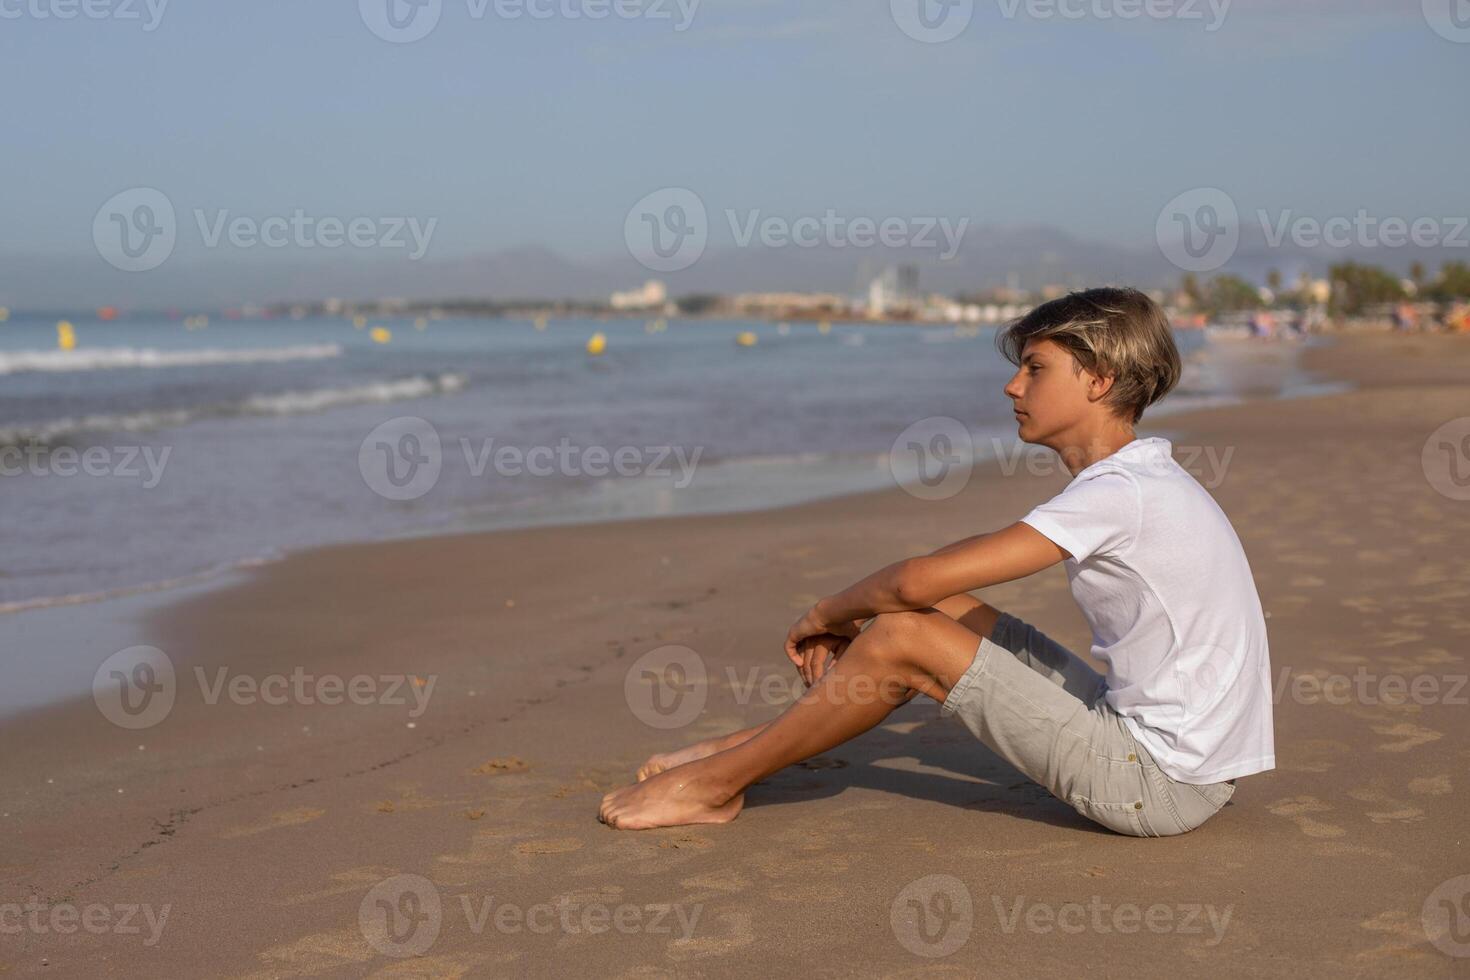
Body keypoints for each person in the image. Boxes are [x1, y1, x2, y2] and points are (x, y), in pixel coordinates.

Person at [599, 288, 1276, 837]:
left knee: (901, 633)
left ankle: (714, 788)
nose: (1013, 387)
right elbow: (939, 579)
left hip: (1157, 783)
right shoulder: (1136, 478)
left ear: (1099, 380)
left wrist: (825, 615)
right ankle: (744, 748)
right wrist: (873, 604)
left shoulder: (1120, 493)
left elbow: (914, 581)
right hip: (1171, 754)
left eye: (1035, 369)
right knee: (933, 611)